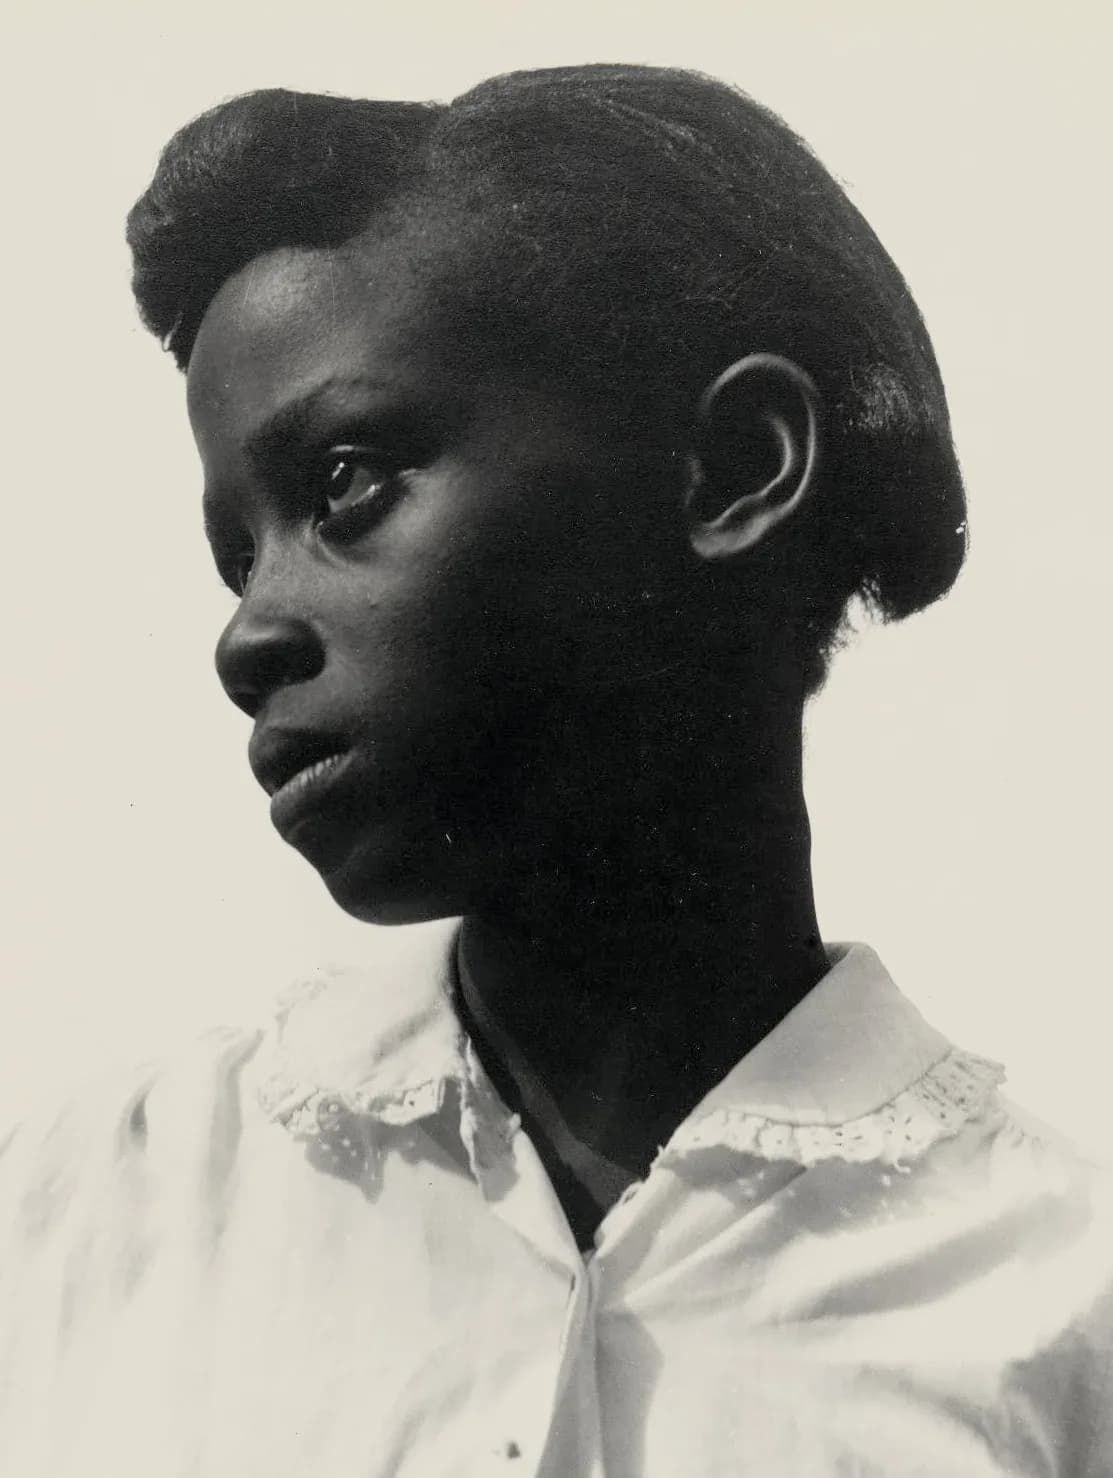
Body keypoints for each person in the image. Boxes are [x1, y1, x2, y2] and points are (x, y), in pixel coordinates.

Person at [2, 63, 1109, 1477]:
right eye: (238, 552)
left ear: (731, 467)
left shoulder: (1062, 1308)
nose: (248, 631)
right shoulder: (83, 1220)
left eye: (345, 482)